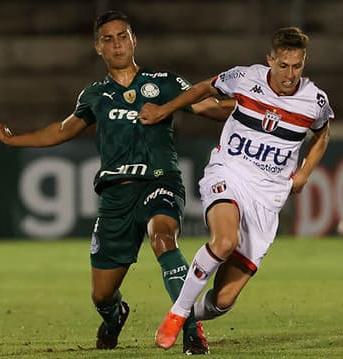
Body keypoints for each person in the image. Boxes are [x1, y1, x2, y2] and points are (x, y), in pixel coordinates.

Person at [0, 10, 233, 354]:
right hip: (116, 197)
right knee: (101, 294)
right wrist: (14, 140)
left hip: (159, 183)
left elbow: (213, 108)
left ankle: (191, 329)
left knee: (163, 238)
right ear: (98, 48)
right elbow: (61, 130)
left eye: (122, 36)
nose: (116, 44)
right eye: (108, 39)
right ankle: (115, 315)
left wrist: (260, 106)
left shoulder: (163, 83)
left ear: (134, 41)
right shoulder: (94, 95)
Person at [138, 26, 333, 350]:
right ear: (270, 59)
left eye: (296, 66)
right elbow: (203, 88)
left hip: (268, 198)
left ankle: (191, 318)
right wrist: (163, 110)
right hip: (230, 173)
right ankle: (177, 312)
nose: (289, 74)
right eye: (283, 65)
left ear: (304, 62)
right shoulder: (246, 77)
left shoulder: (314, 100)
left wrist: (304, 173)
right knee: (225, 240)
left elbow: (323, 134)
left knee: (223, 301)